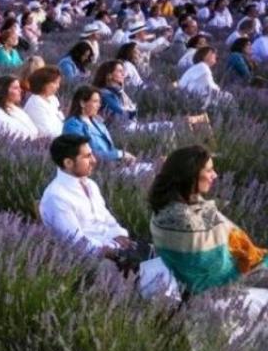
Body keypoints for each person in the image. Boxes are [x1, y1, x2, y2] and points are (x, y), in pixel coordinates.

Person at [149, 144, 268, 296]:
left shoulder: (167, 207)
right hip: (223, 286)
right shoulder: (185, 220)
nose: (215, 175)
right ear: (191, 175)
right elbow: (215, 270)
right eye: (209, 170)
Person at [41, 134, 149, 273]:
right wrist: (113, 251)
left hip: (112, 247)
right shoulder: (57, 196)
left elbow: (106, 218)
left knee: (158, 256)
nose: (94, 160)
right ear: (68, 163)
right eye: (87, 156)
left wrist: (120, 235)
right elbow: (76, 241)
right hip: (87, 258)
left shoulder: (90, 184)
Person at [63, 85, 138, 166]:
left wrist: (123, 157)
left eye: (99, 102)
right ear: (82, 103)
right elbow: (86, 154)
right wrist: (120, 154)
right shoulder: (72, 125)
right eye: (95, 101)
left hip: (112, 165)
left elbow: (109, 149)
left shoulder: (98, 122)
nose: (99, 105)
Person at [0, 75, 38, 140]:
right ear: (4, 91)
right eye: (15, 88)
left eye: (19, 87)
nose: (20, 90)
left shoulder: (18, 110)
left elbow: (33, 131)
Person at [23, 66, 65, 139]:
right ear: (43, 84)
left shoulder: (52, 99)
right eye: (55, 83)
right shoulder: (35, 103)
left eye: (58, 83)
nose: (58, 86)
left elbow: (61, 120)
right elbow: (46, 131)